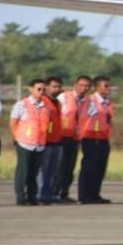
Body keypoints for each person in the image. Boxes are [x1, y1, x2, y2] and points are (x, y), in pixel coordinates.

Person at [10, 79, 50, 205]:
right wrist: (16, 137)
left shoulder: (45, 107)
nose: (41, 92)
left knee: (34, 172)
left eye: (44, 89)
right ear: (31, 89)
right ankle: (21, 197)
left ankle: (32, 196)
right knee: (23, 171)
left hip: (39, 144)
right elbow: (13, 122)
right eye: (39, 89)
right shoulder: (21, 105)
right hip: (24, 142)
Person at [55, 75, 92, 203]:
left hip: (75, 138)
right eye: (81, 85)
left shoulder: (88, 101)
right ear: (75, 85)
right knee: (59, 166)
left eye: (87, 86)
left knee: (69, 167)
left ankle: (64, 193)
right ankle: (54, 193)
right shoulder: (64, 97)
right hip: (61, 136)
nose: (83, 88)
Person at [77, 75, 113, 204]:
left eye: (109, 85)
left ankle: (95, 194)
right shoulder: (90, 101)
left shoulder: (107, 102)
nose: (109, 88)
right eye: (106, 86)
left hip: (103, 138)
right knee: (89, 167)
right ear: (97, 87)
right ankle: (84, 195)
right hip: (90, 138)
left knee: (100, 168)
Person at [37, 76, 63, 204]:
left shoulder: (57, 102)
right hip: (45, 141)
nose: (56, 89)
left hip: (57, 140)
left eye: (58, 87)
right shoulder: (42, 101)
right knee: (43, 170)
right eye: (54, 86)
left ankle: (48, 194)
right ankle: (40, 194)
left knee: (52, 171)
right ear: (46, 87)